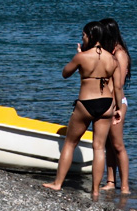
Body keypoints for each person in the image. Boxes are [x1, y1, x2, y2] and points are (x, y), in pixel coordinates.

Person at [43, 21, 121, 198]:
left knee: (70, 143)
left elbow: (65, 73)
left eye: (84, 35)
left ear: (91, 36)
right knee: (99, 147)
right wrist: (118, 109)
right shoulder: (112, 59)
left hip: (86, 103)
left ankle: (57, 183)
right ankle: (94, 191)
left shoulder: (82, 57)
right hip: (107, 104)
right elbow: (117, 87)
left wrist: (78, 57)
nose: (82, 38)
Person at [100, 18, 131, 194]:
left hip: (117, 102)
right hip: (108, 102)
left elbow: (118, 84)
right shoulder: (109, 51)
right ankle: (111, 181)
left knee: (118, 145)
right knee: (108, 145)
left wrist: (118, 107)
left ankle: (125, 185)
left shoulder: (119, 54)